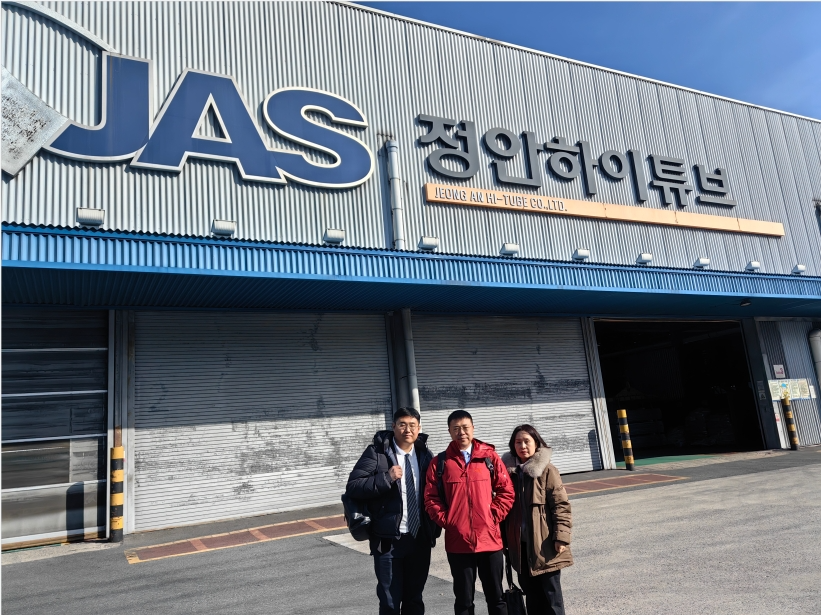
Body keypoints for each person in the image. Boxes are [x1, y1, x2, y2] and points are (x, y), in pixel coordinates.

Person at [346, 407, 439, 615]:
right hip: (388, 541)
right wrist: (386, 478)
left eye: (412, 425)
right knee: (389, 602)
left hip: (419, 538)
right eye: (402, 424)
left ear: (419, 428)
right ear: (393, 426)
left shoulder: (425, 455)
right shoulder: (377, 453)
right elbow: (353, 486)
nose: (408, 430)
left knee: (414, 600)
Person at [423, 410, 515, 615]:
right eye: (456, 428)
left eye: (465, 427)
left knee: (497, 598)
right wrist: (449, 521)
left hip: (489, 540)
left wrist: (493, 517)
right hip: (458, 543)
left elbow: (506, 491)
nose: (461, 432)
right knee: (464, 601)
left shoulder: (489, 458)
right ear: (449, 431)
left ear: (473, 428)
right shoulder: (440, 463)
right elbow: (430, 498)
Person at [501, 424, 573, 615]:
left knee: (552, 599)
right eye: (518, 442)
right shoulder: (506, 473)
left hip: (545, 545)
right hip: (520, 548)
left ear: (536, 443)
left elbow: (561, 505)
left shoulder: (547, 471)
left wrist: (561, 537)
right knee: (532, 597)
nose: (522, 446)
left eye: (527, 441)